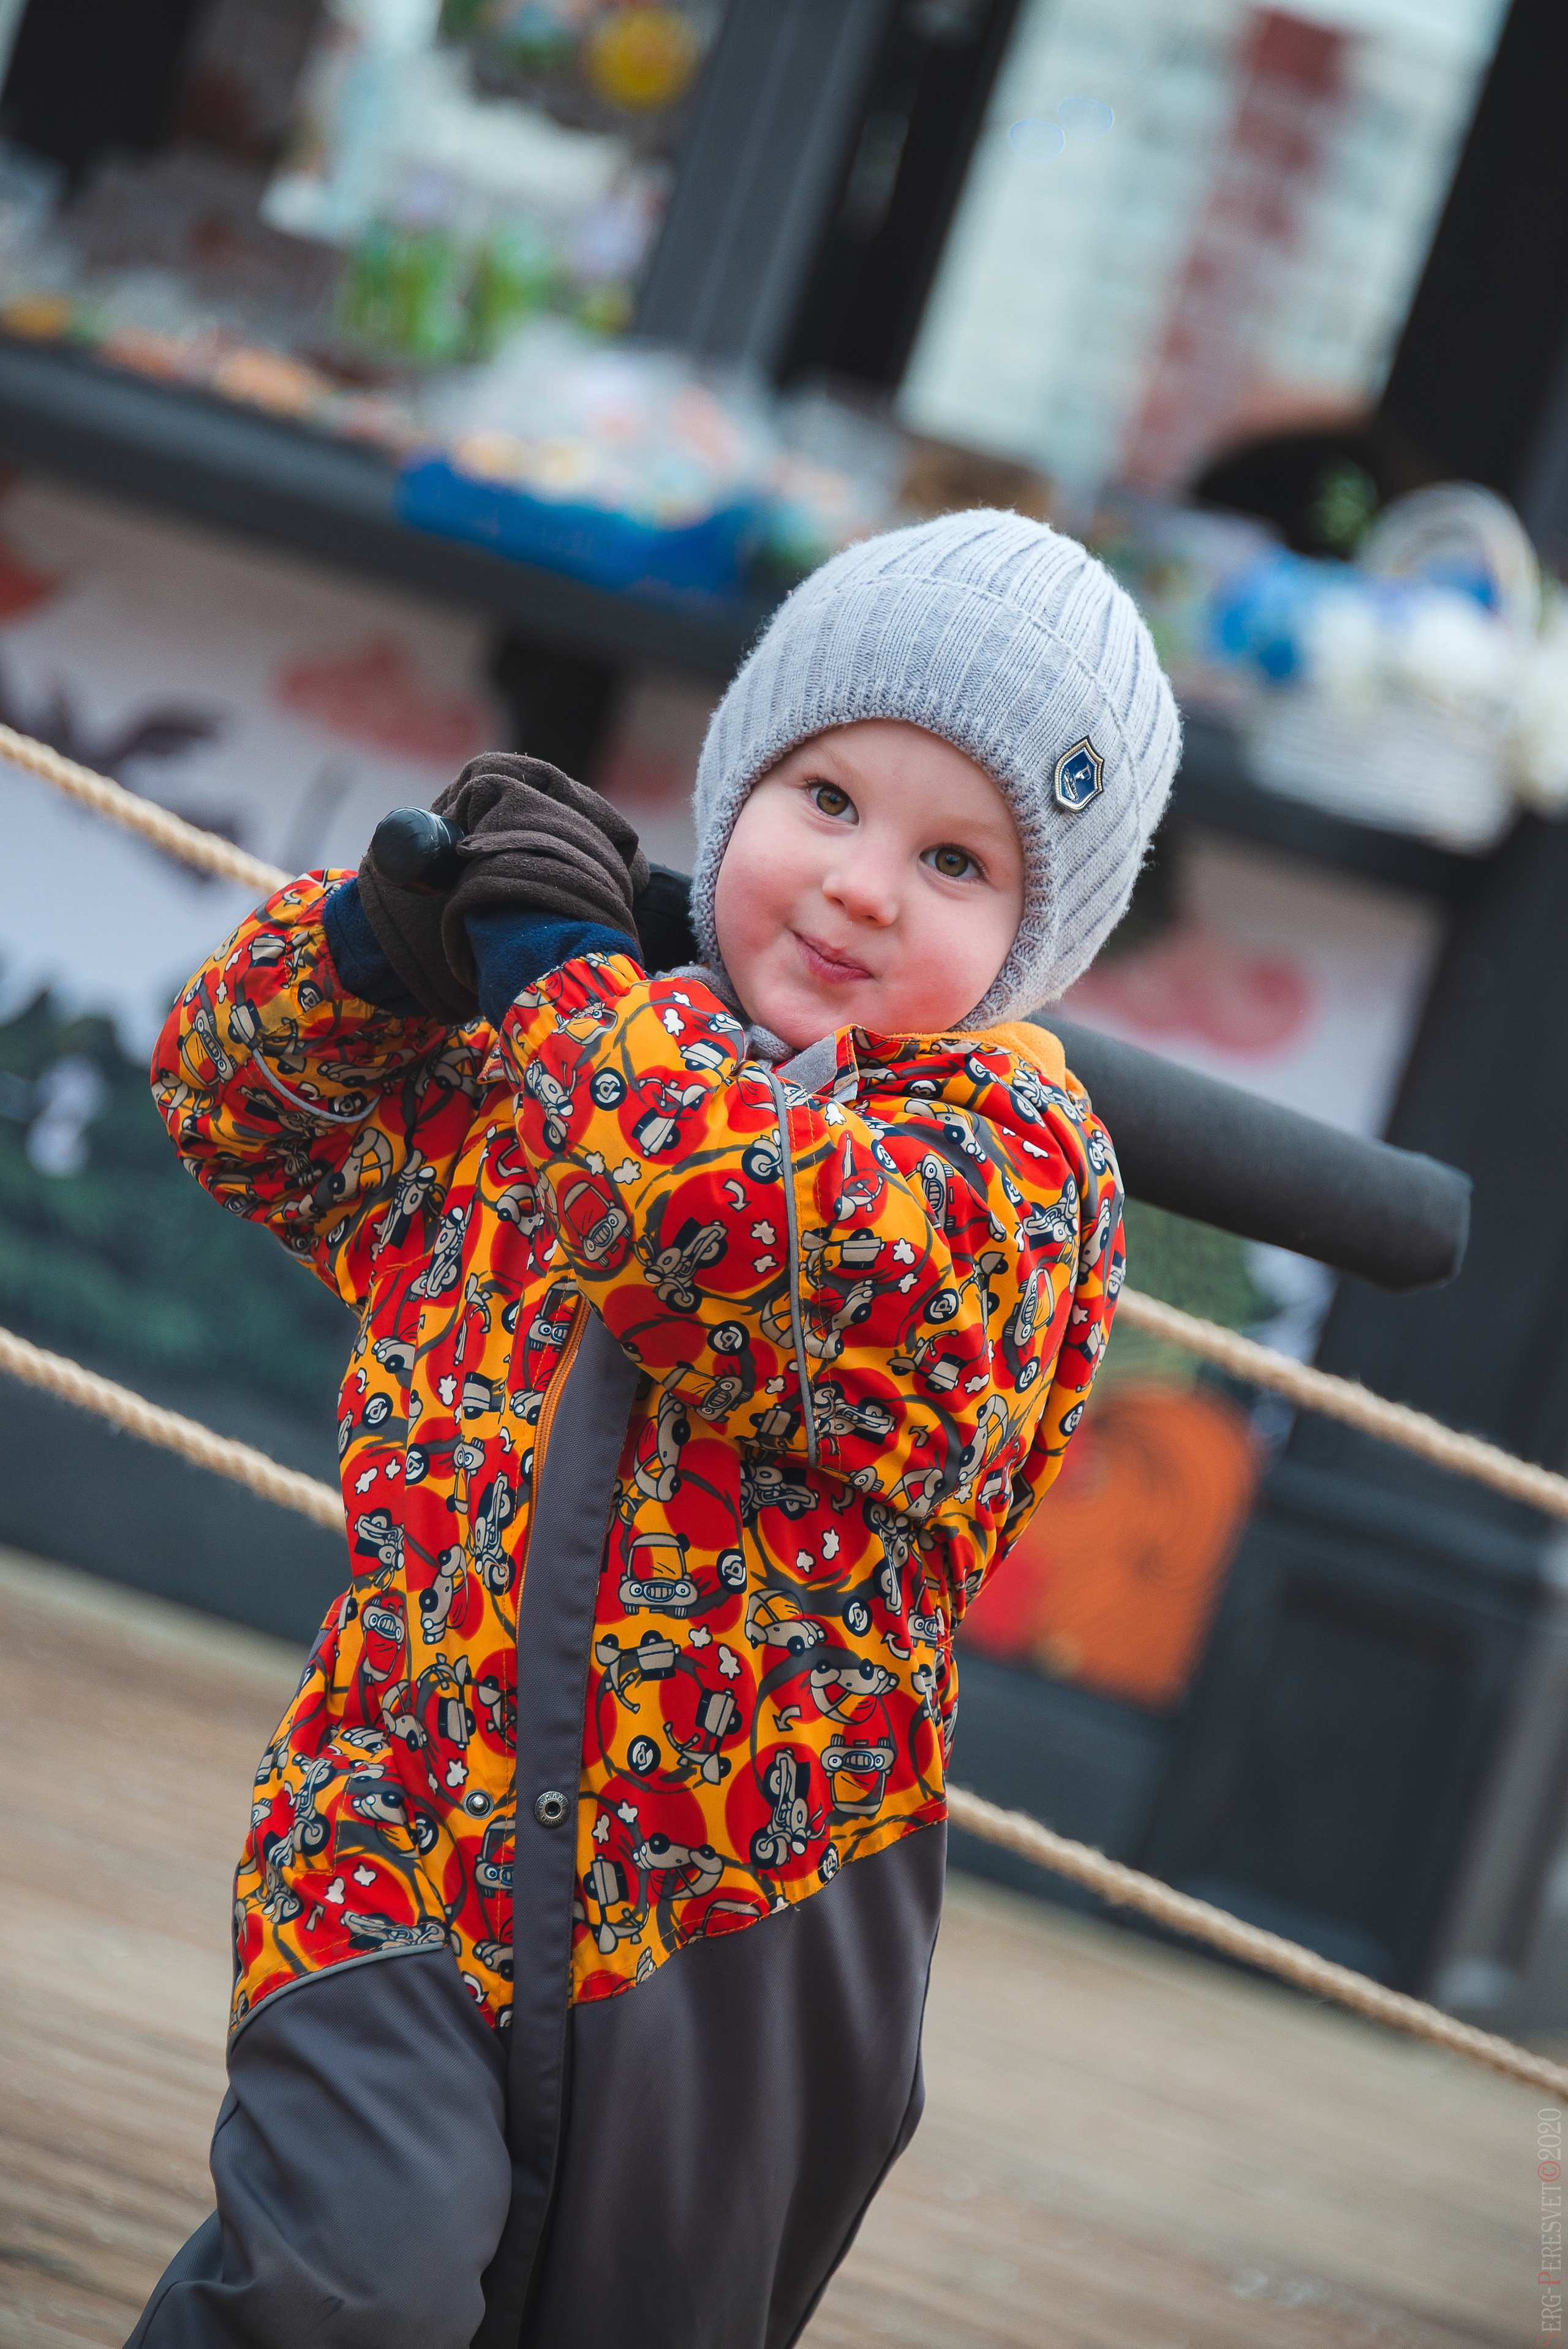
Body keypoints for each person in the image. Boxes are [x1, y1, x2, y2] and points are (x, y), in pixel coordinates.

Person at [130, 508, 1179, 2348]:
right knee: (327, 2294)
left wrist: (557, 979)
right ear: (736, 780)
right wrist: (375, 946)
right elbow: (244, 1110)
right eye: (827, 800)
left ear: (1040, 938)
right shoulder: (572, 1057)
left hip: (734, 1925)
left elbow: (714, 1217)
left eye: (958, 860)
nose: (861, 886)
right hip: (400, 1845)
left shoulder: (1011, 1177)